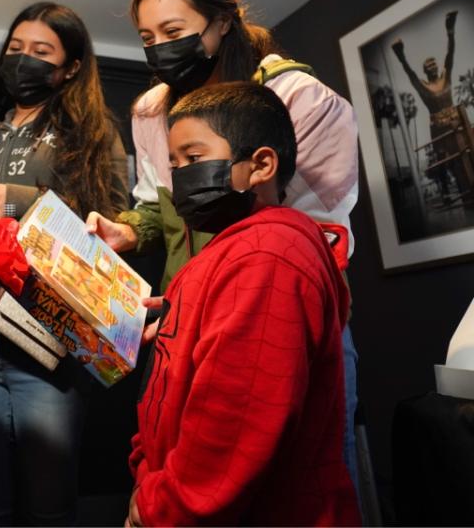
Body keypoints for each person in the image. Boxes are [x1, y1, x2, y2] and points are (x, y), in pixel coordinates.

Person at [84, 0, 364, 504]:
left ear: (221, 20)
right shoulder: (151, 112)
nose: (160, 49)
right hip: (183, 326)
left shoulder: (296, 99)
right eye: (147, 38)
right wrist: (129, 231)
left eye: (174, 30)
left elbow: (304, 238)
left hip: (272, 320)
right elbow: (158, 204)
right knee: (187, 468)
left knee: (301, 487)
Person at [126, 82, 360, 526]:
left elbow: (234, 423)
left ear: (261, 165)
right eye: (174, 164)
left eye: (194, 159)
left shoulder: (267, 254)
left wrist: (156, 508)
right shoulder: (223, 256)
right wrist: (146, 477)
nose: (181, 176)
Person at [0, 2, 129, 526]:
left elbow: (109, 218)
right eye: (16, 49)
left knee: (49, 502)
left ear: (70, 67)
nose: (24, 61)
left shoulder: (90, 131)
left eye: (41, 52)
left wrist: (21, 199)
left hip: (50, 323)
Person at [391, 10, 468, 201]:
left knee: (466, 155)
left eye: (435, 65)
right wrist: (401, 55)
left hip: (457, 123)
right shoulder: (424, 87)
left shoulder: (446, 79)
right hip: (439, 130)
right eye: (429, 66)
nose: (433, 67)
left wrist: (450, 31)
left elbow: (450, 55)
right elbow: (410, 74)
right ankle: (452, 193)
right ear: (425, 71)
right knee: (446, 162)